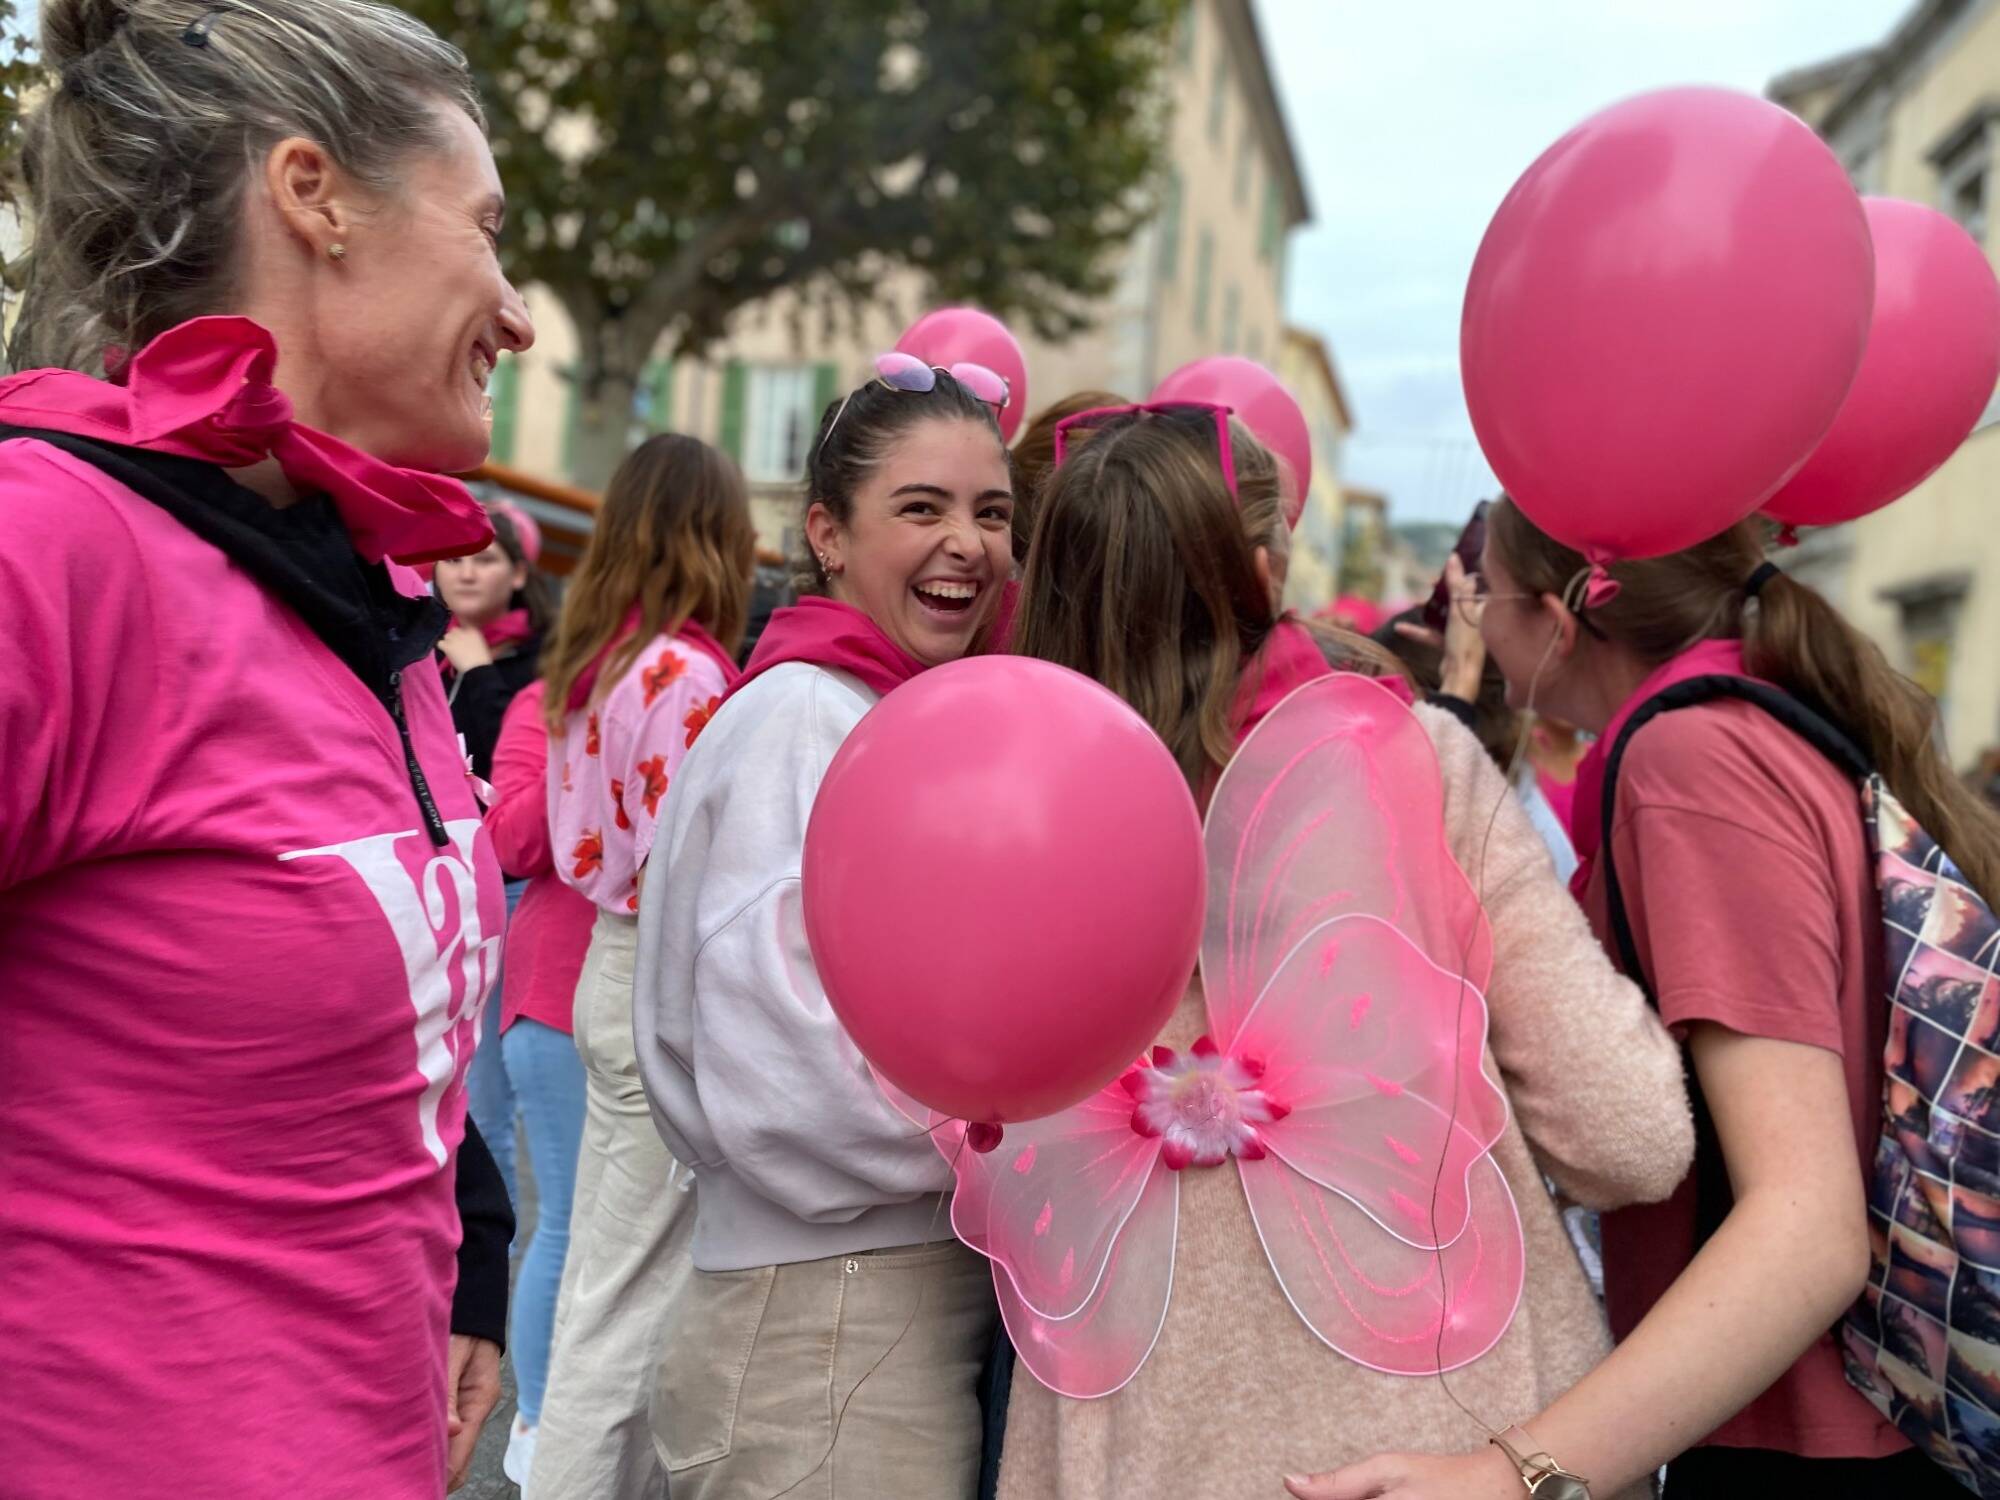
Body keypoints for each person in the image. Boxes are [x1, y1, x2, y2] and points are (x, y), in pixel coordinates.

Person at [0, 1, 533, 1494]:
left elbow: (353, 1006)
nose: (516, 307)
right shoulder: (50, 545)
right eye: (487, 227)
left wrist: (471, 1250)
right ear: (316, 197)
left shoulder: (370, 579)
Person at [997, 406, 1693, 1500]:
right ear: (1266, 562)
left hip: (1138, 1441)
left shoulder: (1005, 812)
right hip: (1448, 1426)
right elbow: (1628, 1137)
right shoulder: (1415, 767)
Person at [1297, 499, 2000, 1499]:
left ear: (1557, 613)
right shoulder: (1748, 718)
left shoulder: (1687, 761)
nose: (1477, 627)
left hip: (1805, 1429)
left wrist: (1512, 1474)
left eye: (1485, 595)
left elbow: (1805, 1226)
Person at [633, 364, 1014, 1499]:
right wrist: (1025, 1137)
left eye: (989, 513)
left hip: (850, 1314)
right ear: (825, 534)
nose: (967, 543)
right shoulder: (808, 721)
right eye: (920, 507)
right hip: (823, 1326)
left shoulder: (877, 714)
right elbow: (791, 1086)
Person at [529, 433, 758, 1500]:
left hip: (603, 962)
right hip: (656, 973)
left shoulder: (603, 657)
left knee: (602, 1284)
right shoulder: (685, 672)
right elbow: (694, 854)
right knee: (626, 1309)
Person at [482, 681, 598, 1487]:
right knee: (568, 1220)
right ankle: (536, 1431)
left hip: (646, 999)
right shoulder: (549, 701)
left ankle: (582, 1427)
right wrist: (593, 737)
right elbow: (512, 844)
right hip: (556, 994)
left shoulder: (709, 682)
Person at [440, 500, 556, 1205]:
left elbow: (512, 780)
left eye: (485, 559)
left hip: (507, 890)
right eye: (454, 558)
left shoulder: (539, 662)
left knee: (488, 1097)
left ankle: (491, 1261)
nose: (466, 572)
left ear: (517, 573)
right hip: (434, 884)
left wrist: (480, 670)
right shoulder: (415, 646)